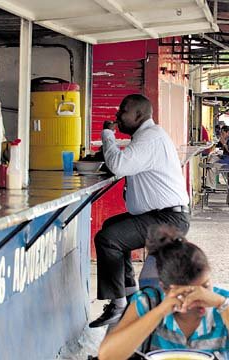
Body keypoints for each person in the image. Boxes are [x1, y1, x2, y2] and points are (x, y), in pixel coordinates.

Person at [90, 94, 190, 328]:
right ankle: (129, 296)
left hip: (168, 218)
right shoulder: (147, 136)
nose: (117, 116)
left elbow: (119, 165)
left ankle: (118, 305)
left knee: (108, 240)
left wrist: (107, 134)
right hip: (161, 214)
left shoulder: (150, 138)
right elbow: (126, 161)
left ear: (139, 115)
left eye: (122, 111)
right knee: (111, 229)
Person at [98, 226, 229, 360]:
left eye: (205, 287)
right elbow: (107, 356)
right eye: (188, 293)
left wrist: (223, 306)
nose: (201, 298)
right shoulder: (147, 304)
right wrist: (160, 311)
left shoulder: (228, 304)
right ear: (165, 288)